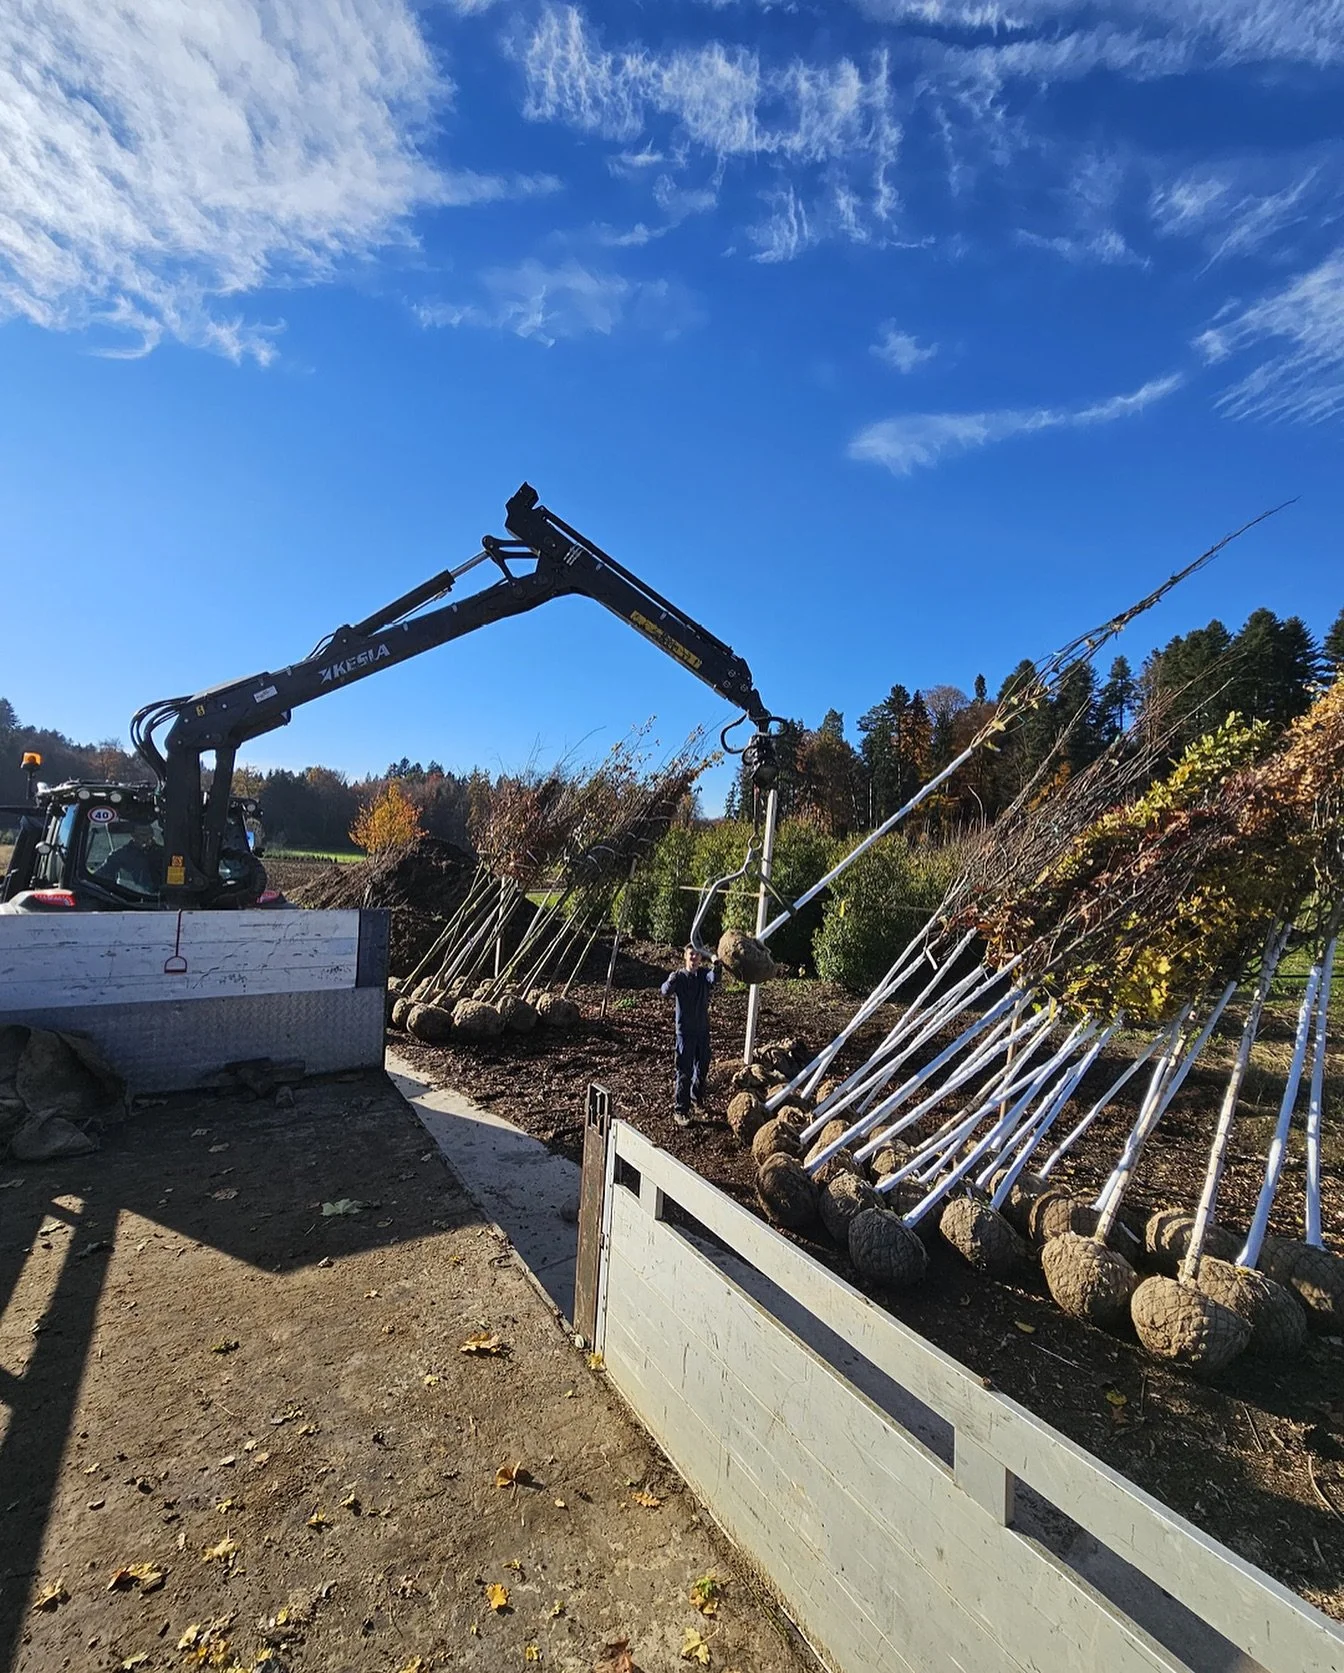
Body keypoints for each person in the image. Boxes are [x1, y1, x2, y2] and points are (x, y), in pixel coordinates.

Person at [660, 944, 719, 1127]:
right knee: (684, 1071)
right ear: (685, 957)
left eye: (697, 955)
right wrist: (669, 982)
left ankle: (697, 1099)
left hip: (702, 1030)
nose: (694, 958)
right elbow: (664, 991)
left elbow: (714, 978)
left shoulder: (702, 975)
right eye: (691, 955)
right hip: (685, 1032)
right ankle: (681, 1110)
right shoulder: (679, 977)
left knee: (702, 1067)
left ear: (701, 959)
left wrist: (717, 964)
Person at [94, 822, 165, 896]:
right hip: (127, 900)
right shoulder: (120, 855)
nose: (147, 838)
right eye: (142, 835)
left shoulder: (163, 853)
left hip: (161, 901)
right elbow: (101, 877)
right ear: (133, 835)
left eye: (149, 834)